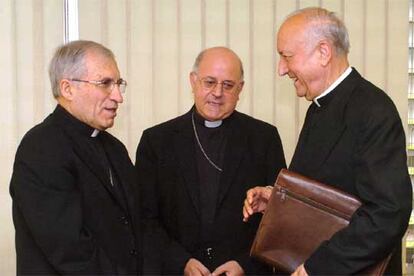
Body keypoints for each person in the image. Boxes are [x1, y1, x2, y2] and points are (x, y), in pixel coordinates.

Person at [243, 7, 412, 275]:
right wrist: (277, 200)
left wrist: (318, 267)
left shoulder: (373, 110)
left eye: (286, 57)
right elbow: (327, 190)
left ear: (323, 52)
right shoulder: (319, 106)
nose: (281, 69)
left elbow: (388, 213)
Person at [135, 46, 286, 275]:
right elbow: (145, 219)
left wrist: (245, 264)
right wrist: (180, 262)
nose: (217, 93)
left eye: (228, 85)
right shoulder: (156, 141)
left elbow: (279, 218)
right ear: (193, 81)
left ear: (240, 89)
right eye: (209, 82)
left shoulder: (263, 138)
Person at [10, 40, 141, 275]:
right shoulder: (41, 148)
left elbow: (134, 225)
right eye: (105, 84)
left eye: (119, 83)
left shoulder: (114, 148)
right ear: (68, 89)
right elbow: (70, 250)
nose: (118, 97)